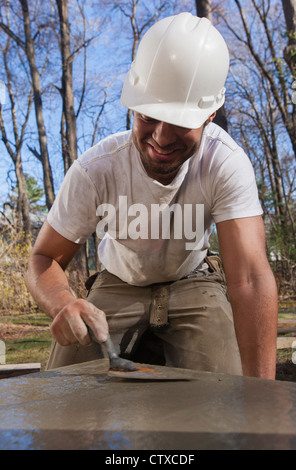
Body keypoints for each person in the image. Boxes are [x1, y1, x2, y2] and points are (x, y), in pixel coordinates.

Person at [25, 12, 278, 379]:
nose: (161, 137)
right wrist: (64, 302)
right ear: (132, 105)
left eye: (180, 121)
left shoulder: (225, 163)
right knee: (64, 389)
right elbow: (43, 257)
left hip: (194, 280)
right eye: (148, 116)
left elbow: (251, 279)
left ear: (209, 115)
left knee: (227, 393)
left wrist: (263, 400)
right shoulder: (97, 169)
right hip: (117, 282)